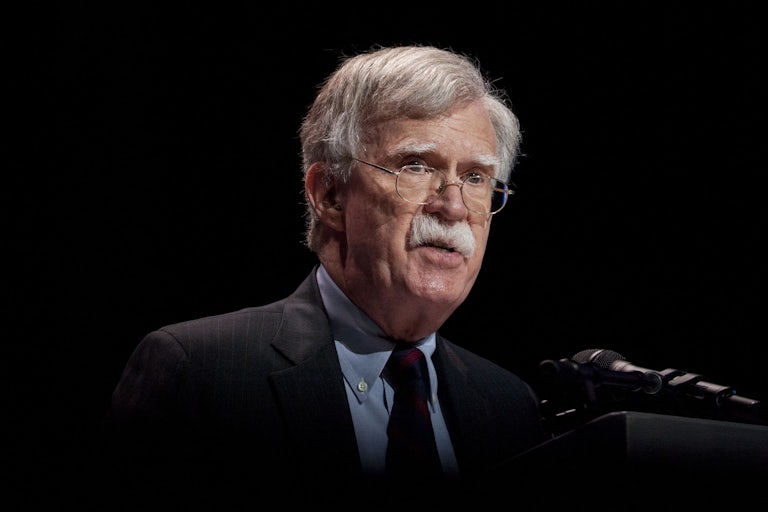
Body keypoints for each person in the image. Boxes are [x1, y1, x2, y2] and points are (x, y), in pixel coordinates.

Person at [103, 44, 549, 506]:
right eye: (416, 166)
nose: (454, 207)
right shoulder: (200, 375)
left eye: (475, 177)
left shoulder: (511, 408)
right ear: (330, 195)